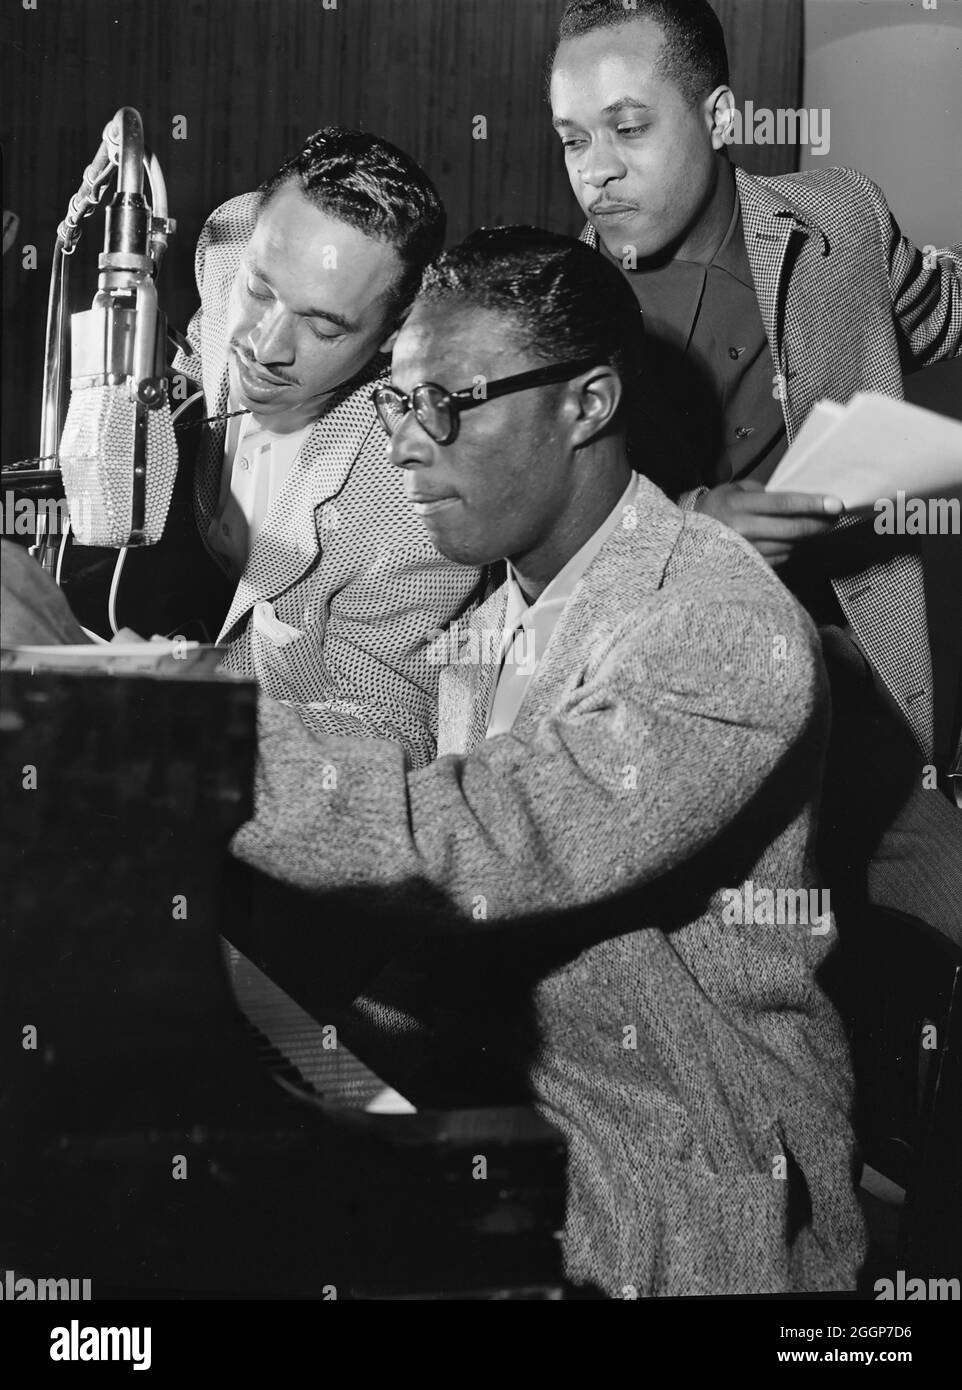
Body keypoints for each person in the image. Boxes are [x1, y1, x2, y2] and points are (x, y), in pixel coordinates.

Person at [231, 227, 867, 1297]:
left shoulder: (716, 625)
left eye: (446, 403)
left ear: (586, 405)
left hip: (680, 1168)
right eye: (395, 403)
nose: (401, 446)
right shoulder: (506, 594)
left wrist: (164, 742)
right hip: (529, 1099)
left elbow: (484, 842)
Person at [546, 0, 962, 940]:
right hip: (673, 730)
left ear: (723, 119)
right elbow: (540, 569)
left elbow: (939, 309)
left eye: (628, 128)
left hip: (863, 717)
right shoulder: (556, 316)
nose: (595, 172)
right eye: (572, 141)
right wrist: (694, 526)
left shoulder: (840, 226)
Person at [53, 128, 484, 769]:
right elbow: (202, 355)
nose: (265, 344)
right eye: (261, 292)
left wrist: (162, 701)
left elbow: (386, 738)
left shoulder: (416, 507)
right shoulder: (230, 248)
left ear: (396, 334)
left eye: (321, 326)